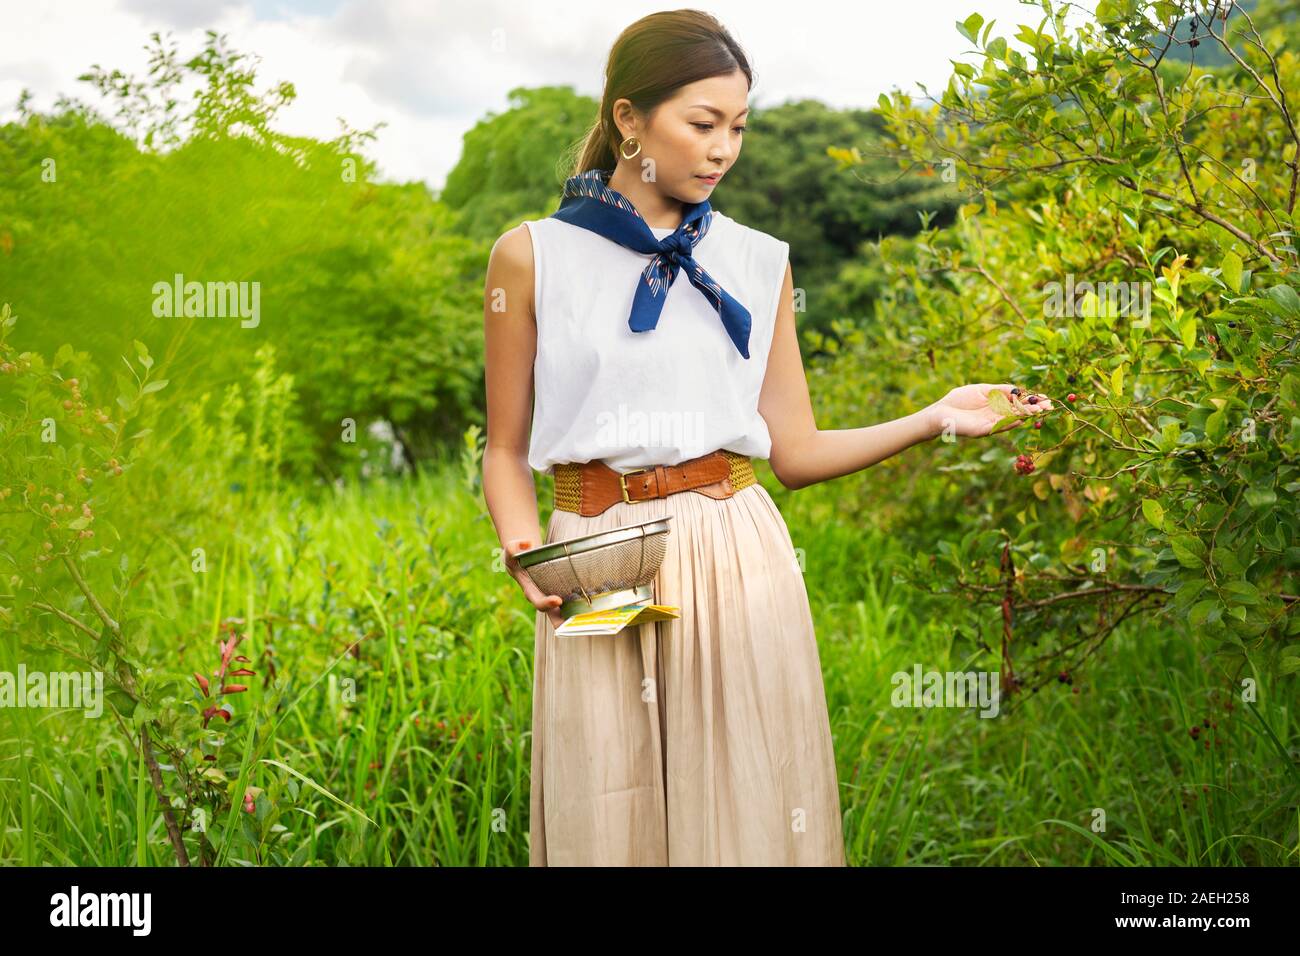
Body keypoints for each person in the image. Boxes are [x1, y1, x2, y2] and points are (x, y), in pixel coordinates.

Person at [481, 9, 1053, 866]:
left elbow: (796, 454)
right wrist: (527, 552)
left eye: (738, 127)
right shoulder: (530, 258)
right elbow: (502, 449)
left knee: (747, 813)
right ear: (629, 119)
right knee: (608, 806)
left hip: (734, 549)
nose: (723, 150)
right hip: (596, 556)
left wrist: (938, 416)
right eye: (702, 124)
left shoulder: (760, 260)